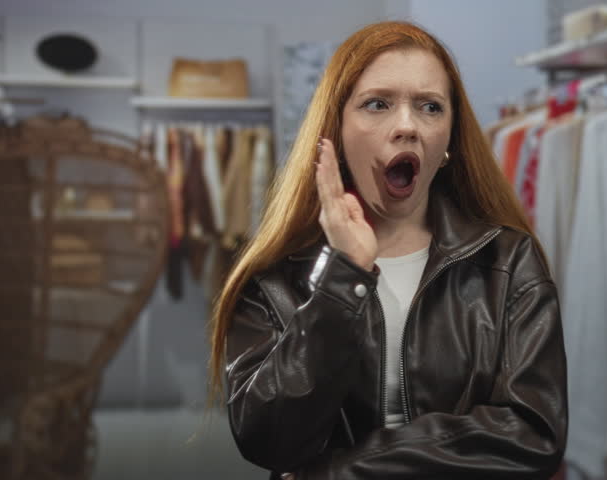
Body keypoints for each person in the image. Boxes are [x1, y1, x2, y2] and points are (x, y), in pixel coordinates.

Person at [208, 21, 568, 479]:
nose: (407, 126)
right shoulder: (275, 277)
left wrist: (344, 471)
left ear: (450, 142)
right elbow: (268, 438)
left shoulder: (508, 261)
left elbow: (534, 434)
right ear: (335, 130)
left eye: (430, 107)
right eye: (377, 104)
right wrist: (344, 275)